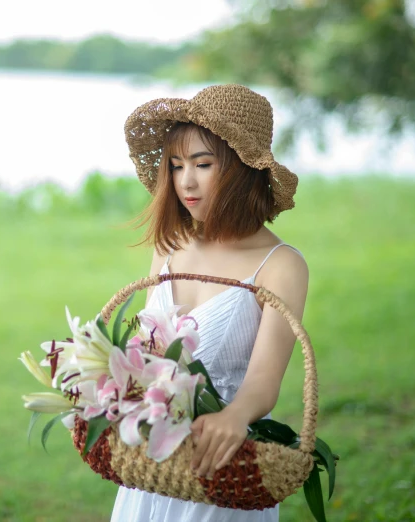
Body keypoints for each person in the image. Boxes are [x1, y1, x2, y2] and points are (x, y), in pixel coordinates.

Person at [111, 84, 309, 521]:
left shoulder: (281, 265)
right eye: (177, 165)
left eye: (203, 163)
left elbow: (264, 379)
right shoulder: (170, 246)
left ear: (243, 168)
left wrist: (234, 415)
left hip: (221, 464)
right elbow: (149, 352)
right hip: (151, 464)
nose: (186, 181)